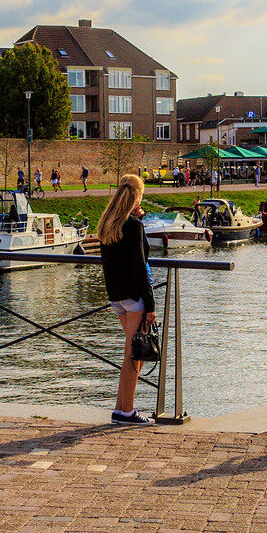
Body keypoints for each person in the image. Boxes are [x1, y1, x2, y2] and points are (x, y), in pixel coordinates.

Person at [96, 174, 156, 427]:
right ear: (137, 196)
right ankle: (126, 411)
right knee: (134, 355)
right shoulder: (133, 226)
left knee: (132, 352)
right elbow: (140, 267)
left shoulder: (109, 222)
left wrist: (137, 220)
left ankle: (121, 409)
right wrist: (150, 306)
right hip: (134, 297)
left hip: (117, 296)